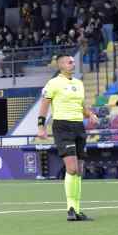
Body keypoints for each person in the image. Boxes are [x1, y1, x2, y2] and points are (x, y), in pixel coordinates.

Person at [38, 54, 99, 221]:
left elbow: (81, 106)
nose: (73, 63)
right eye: (69, 62)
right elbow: (44, 105)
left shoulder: (79, 83)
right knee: (71, 168)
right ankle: (70, 208)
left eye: (73, 61)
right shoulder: (53, 83)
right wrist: (41, 126)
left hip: (78, 126)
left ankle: (77, 210)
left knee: (79, 170)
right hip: (62, 126)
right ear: (61, 65)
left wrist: (90, 114)